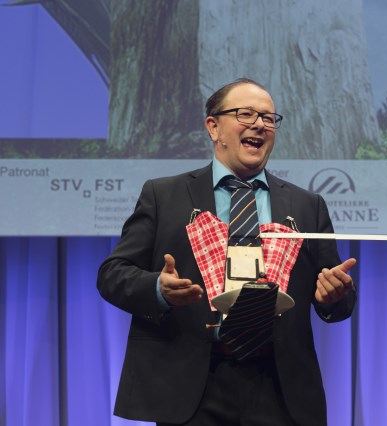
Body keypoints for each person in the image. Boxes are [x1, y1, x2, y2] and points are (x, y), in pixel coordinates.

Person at [97, 78, 357, 425]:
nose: (259, 124)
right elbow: (113, 274)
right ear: (213, 127)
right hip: (192, 389)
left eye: (268, 118)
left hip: (280, 390)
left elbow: (337, 301)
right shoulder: (164, 195)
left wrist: (333, 296)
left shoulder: (307, 205)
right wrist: (158, 289)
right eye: (245, 114)